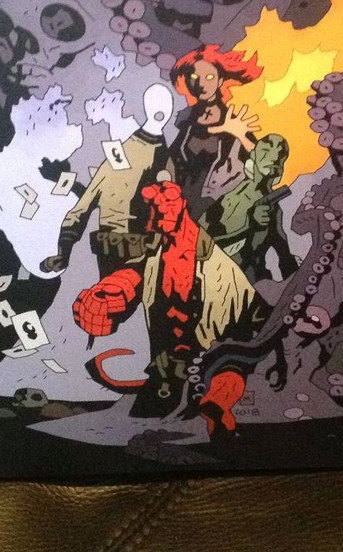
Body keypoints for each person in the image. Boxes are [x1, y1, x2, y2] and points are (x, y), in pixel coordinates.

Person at [71, 181, 267, 439]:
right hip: (169, 360)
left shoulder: (213, 263)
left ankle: (216, 407)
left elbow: (247, 315)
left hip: (213, 347)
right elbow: (139, 272)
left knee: (228, 369)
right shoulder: (162, 249)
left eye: (163, 213)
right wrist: (112, 292)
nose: (155, 222)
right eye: (155, 213)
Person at [40, 84, 175, 278]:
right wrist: (64, 251)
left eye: (164, 105)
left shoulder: (164, 161)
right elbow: (83, 206)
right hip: (112, 251)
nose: (160, 109)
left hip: (144, 256)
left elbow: (170, 215)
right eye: (155, 103)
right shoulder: (120, 156)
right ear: (146, 106)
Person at [169, 45, 262, 219]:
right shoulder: (185, 120)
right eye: (194, 77)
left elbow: (261, 161)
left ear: (220, 81)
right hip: (180, 203)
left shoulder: (232, 121)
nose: (202, 84)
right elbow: (172, 156)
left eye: (210, 77)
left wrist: (241, 137)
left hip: (217, 210)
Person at [200, 134, 298, 282]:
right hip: (207, 268)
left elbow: (284, 255)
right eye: (266, 149)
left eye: (280, 153)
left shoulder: (270, 210)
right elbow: (203, 228)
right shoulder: (235, 191)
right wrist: (250, 225)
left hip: (238, 279)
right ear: (253, 154)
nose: (274, 156)